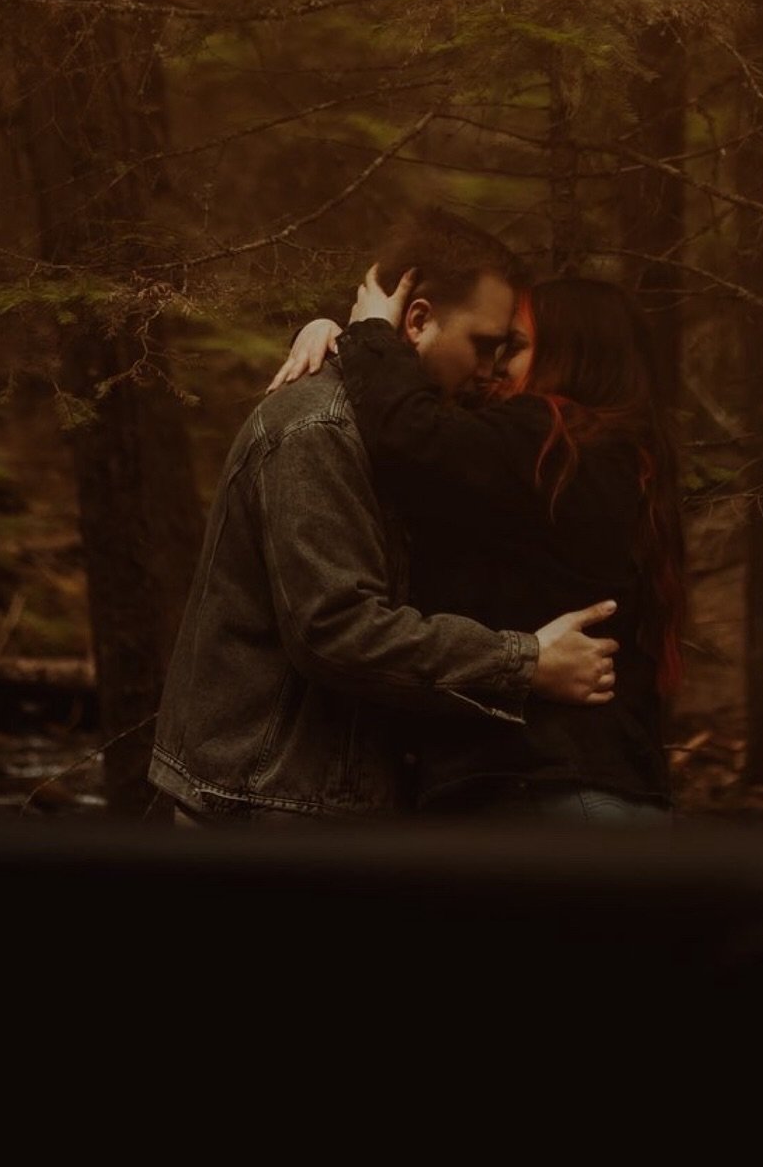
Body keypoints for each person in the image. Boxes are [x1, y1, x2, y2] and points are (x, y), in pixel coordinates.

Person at [148, 207, 623, 822]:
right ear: (418, 319)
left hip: (315, 801)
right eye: (482, 346)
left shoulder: (396, 432)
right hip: (265, 807)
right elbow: (337, 629)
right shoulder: (318, 428)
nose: (489, 372)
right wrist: (524, 661)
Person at [276, 264, 685, 823]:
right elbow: (435, 424)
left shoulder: (549, 436)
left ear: (572, 355)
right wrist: (329, 331)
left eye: (512, 347)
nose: (494, 369)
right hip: (599, 790)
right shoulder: (606, 456)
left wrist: (366, 333)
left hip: (543, 792)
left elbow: (410, 434)